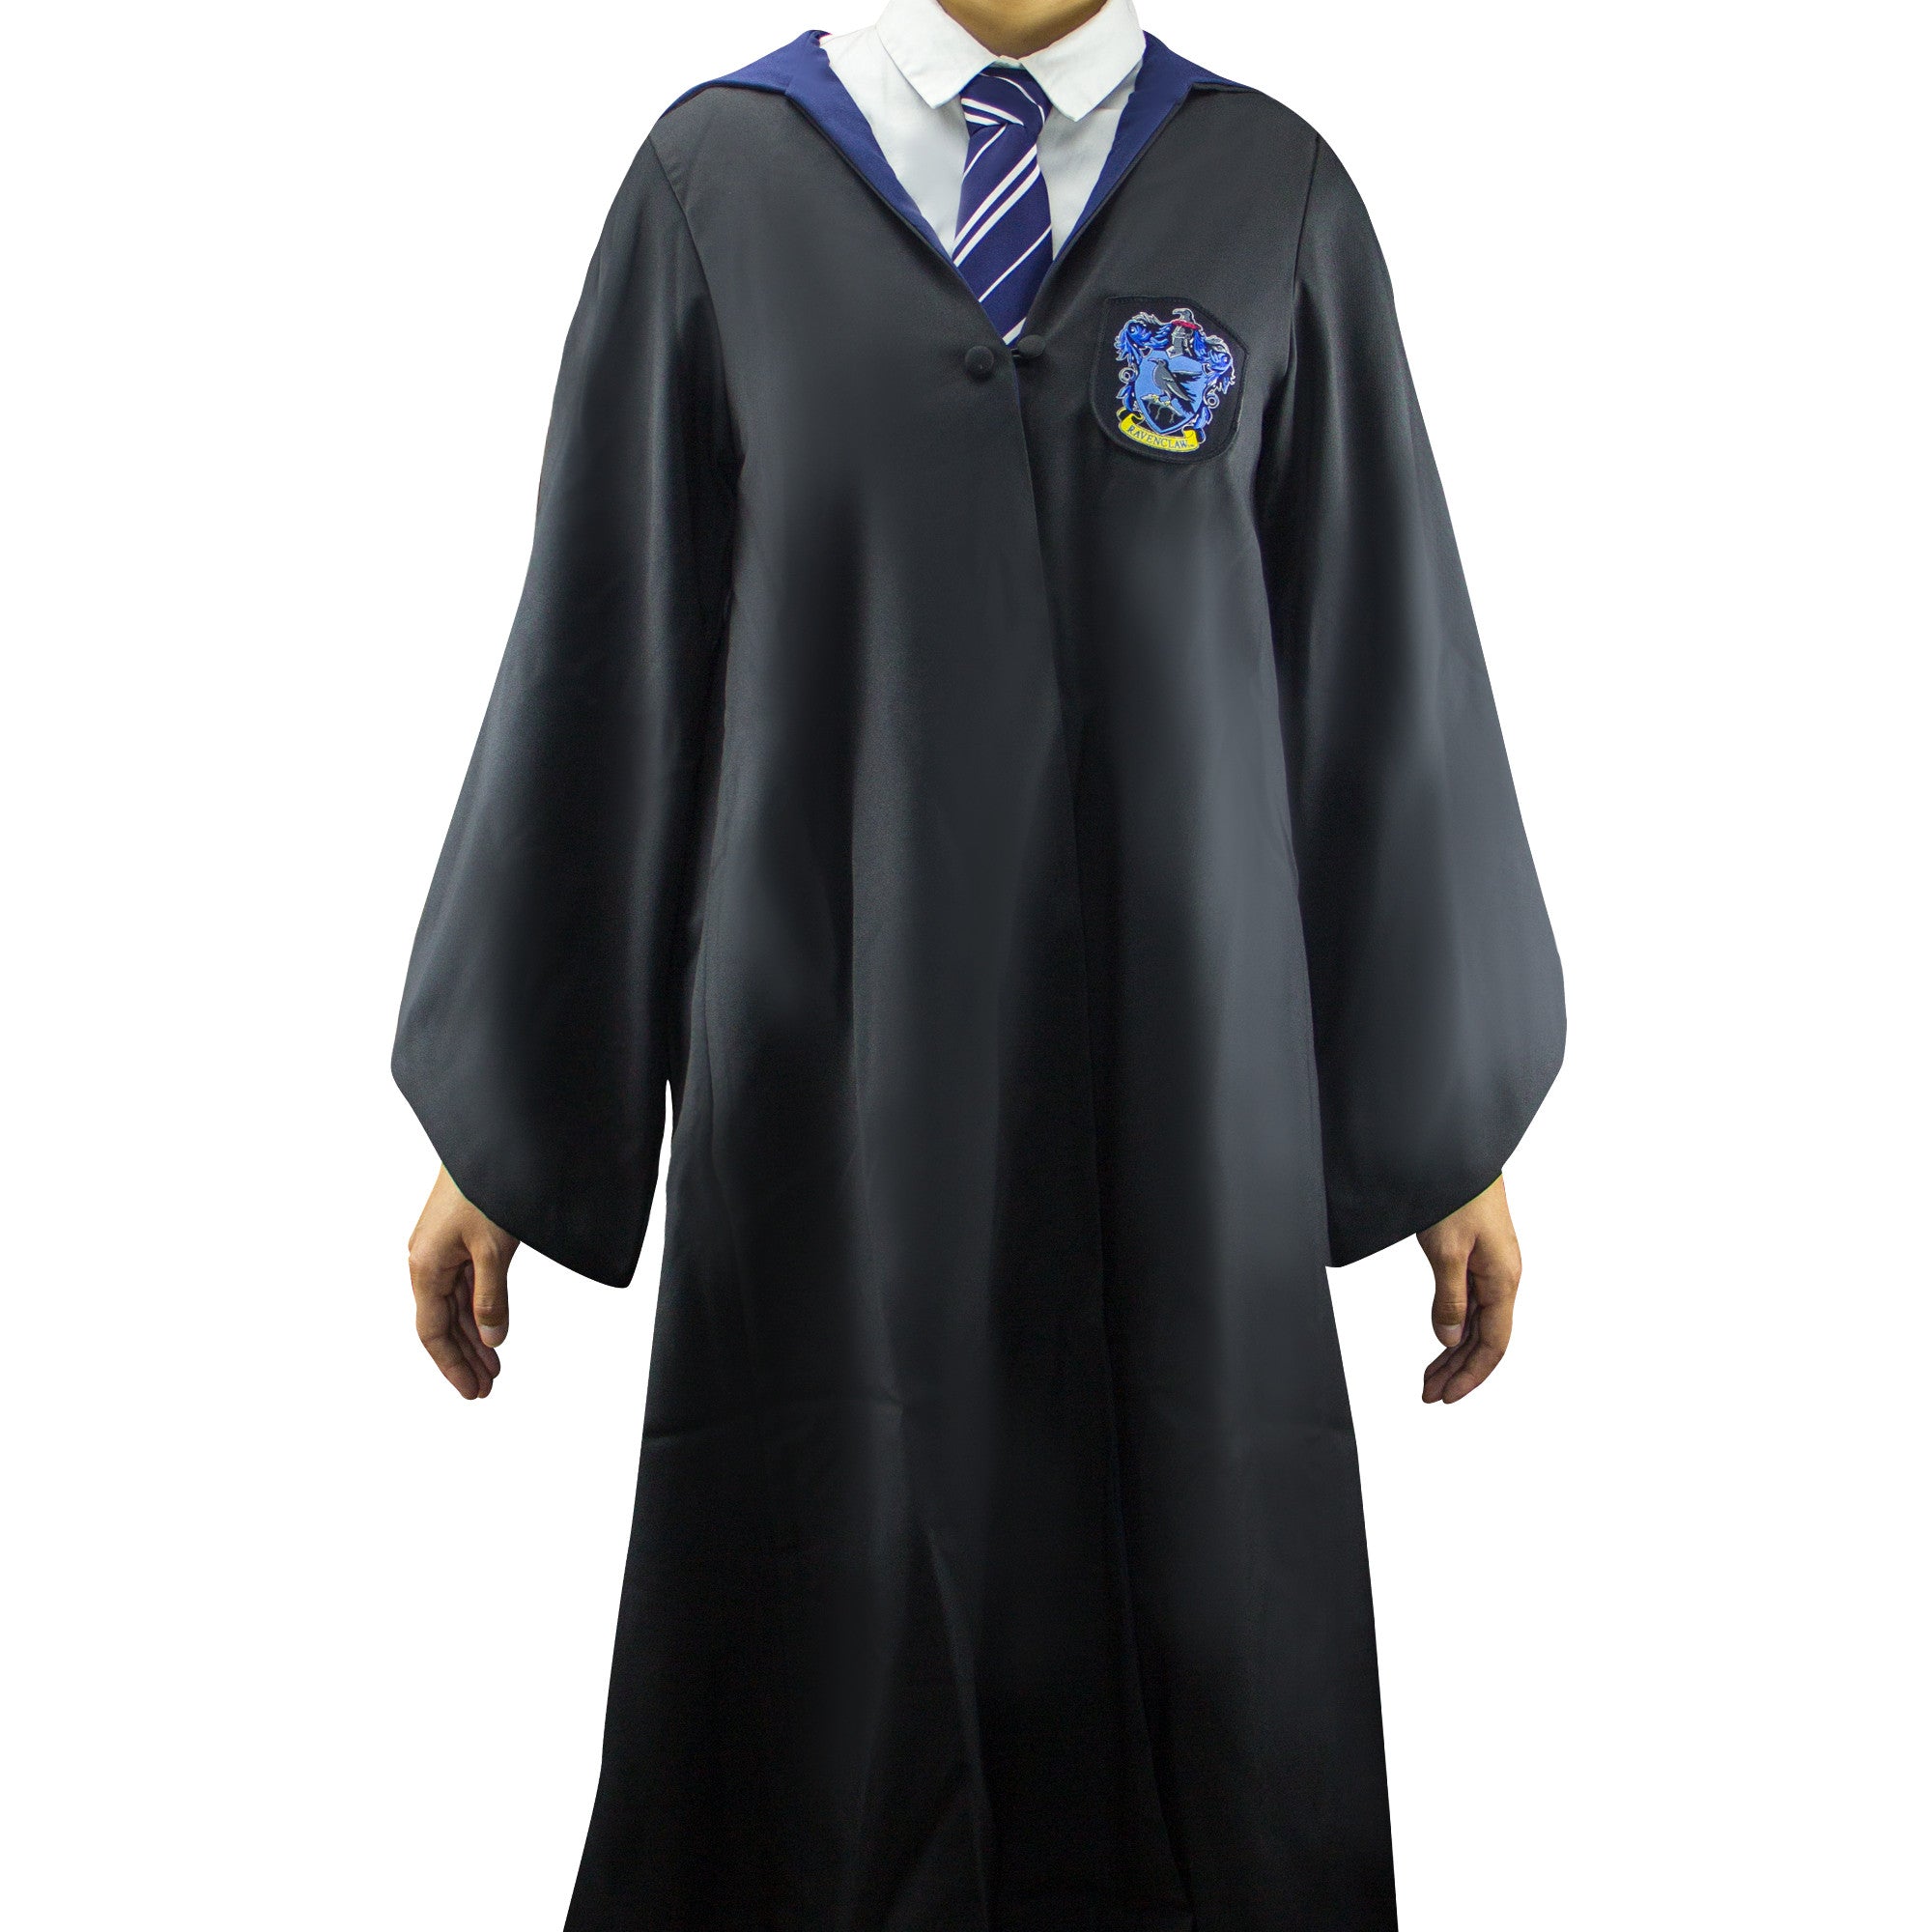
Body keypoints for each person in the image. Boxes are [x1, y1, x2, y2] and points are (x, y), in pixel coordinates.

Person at [394, 0, 1564, 1922]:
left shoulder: (1269, 198)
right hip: (832, 1110)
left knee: (1199, 1703)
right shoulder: (722, 187)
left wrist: (1445, 1124)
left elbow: (1374, 672)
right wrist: (508, 1124)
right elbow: (611, 648)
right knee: (826, 1682)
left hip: (1186, 1126)